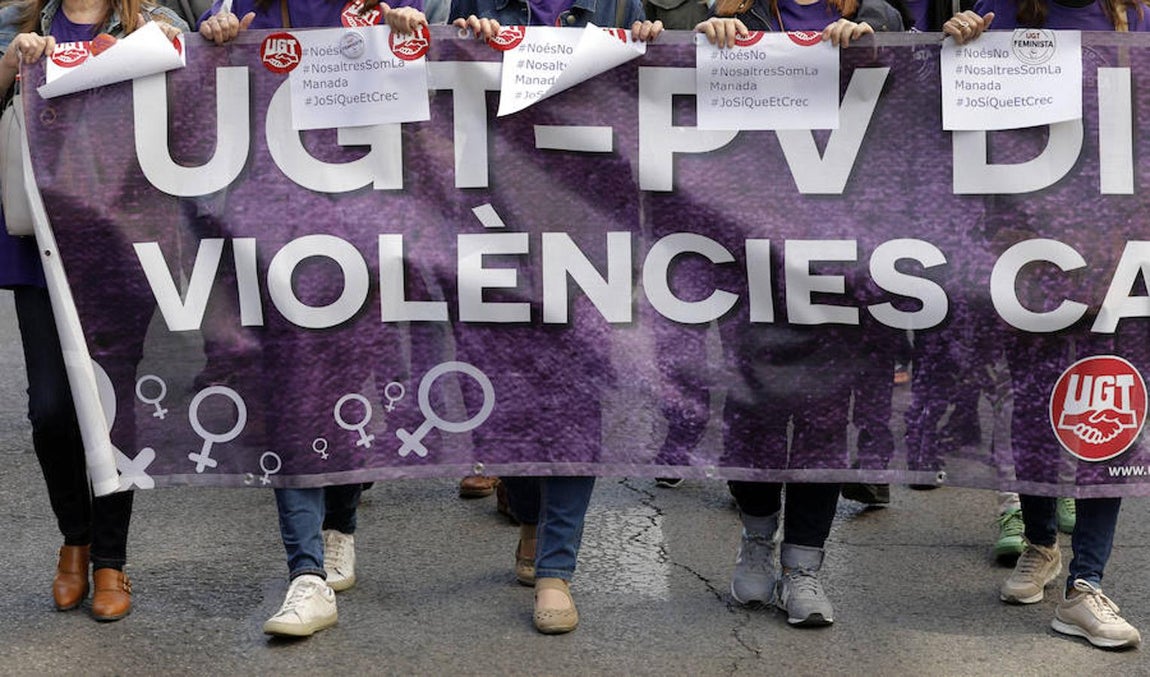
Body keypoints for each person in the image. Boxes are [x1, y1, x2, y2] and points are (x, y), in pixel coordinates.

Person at [197, 0, 428, 638]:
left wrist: (416, 36)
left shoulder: (385, 9)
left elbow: (446, 98)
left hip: (366, 232)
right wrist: (211, 38)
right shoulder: (248, 10)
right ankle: (306, 575)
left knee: (344, 389)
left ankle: (340, 525)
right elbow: (200, 95)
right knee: (293, 395)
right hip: (274, 236)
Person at [451, 1, 663, 635]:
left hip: (591, 229)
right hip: (495, 224)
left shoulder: (616, 5)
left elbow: (658, 83)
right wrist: (466, 41)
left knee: (576, 404)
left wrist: (656, 42)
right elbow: (442, 83)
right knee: (509, 396)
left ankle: (555, 571)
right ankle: (529, 515)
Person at [695, 0, 903, 628]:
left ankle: (804, 568)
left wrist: (873, 48)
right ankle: (756, 539)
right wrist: (704, 38)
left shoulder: (877, 15)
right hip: (755, 256)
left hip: (846, 255)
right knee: (752, 410)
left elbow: (916, 94)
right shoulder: (744, 13)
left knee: (824, 419)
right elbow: (682, 92)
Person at [947, 0, 1145, 650]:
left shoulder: (1133, 19)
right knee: (1032, 405)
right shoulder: (1002, 11)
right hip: (1026, 250)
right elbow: (950, 122)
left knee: (1104, 402)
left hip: (1113, 248)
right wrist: (956, 48)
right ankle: (1040, 544)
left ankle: (1085, 583)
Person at [0, 0, 186, 622]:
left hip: (118, 244)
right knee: (51, 409)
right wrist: (13, 60)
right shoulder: (20, 22)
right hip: (40, 246)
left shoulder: (151, 21)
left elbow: (198, 98)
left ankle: (109, 560)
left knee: (110, 405)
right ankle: (73, 541)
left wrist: (174, 43)